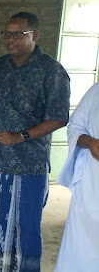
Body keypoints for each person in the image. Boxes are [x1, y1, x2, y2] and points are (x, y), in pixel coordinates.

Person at [0, 12, 69, 271]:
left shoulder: (51, 71)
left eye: (18, 34)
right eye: (7, 34)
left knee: (26, 226)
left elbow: (58, 118)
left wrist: (20, 137)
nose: (10, 40)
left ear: (34, 35)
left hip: (29, 164)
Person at [55, 83, 99, 272]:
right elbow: (75, 127)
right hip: (90, 186)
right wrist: (90, 142)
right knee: (80, 252)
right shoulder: (96, 92)